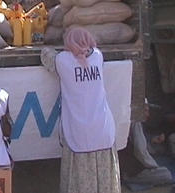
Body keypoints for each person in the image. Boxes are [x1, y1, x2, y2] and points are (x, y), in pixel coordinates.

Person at [41, 27, 120, 193]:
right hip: (102, 129)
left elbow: (46, 55)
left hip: (78, 132)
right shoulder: (98, 56)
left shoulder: (63, 60)